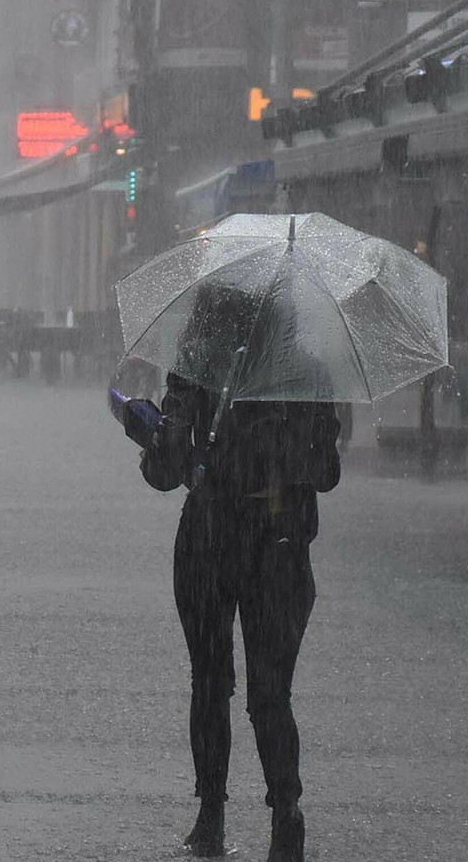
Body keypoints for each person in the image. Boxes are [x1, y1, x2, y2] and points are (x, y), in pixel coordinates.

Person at [128, 367, 341, 861]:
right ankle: (256, 813)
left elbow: (325, 473)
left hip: (244, 542)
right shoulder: (296, 371)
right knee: (247, 690)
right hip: (250, 542)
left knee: (234, 688)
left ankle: (247, 816)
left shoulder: (216, 363)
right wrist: (160, 434)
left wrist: (272, 439)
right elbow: (165, 472)